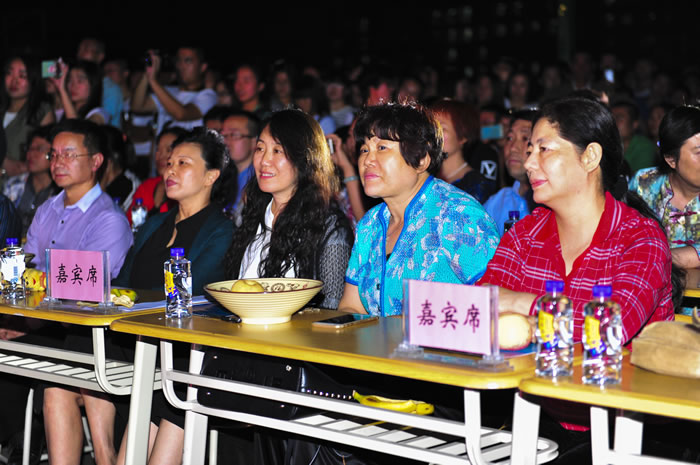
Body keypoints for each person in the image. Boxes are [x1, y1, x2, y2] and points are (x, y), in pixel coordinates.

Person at [479, 96, 674, 345]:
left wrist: (520, 303)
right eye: (529, 151)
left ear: (590, 156)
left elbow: (609, 329)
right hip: (534, 371)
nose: (528, 163)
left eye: (544, 149)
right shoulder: (524, 234)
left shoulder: (640, 239)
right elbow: (480, 306)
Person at [339, 102, 499, 316]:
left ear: (422, 159)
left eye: (382, 148)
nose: (367, 160)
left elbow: (498, 301)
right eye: (364, 149)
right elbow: (351, 306)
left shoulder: (458, 215)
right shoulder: (370, 224)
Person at [25, 119, 132, 275]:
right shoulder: (46, 209)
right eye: (53, 155)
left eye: (68, 155)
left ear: (95, 161)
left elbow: (84, 279)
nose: (58, 163)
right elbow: (27, 265)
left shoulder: (109, 220)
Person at [629, 105, 700, 270]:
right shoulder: (644, 185)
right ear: (671, 160)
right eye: (699, 153)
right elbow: (622, 238)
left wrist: (656, 256)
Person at [130, 47, 217, 136]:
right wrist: (148, 73)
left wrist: (153, 80)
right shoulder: (167, 91)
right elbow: (137, 107)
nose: (181, 66)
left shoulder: (208, 96)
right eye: (179, 60)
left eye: (188, 61)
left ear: (202, 67)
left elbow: (181, 114)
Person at [430, 99, 497, 203]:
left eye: (442, 129)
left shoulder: (476, 185)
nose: (433, 134)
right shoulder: (427, 175)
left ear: (463, 136)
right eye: (431, 127)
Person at [483, 110, 538, 235]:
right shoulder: (498, 201)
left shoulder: (553, 205)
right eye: (509, 138)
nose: (513, 147)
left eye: (525, 138)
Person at [1, 56, 55, 176]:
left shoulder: (41, 111)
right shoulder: (2, 108)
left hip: (21, 183)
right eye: (9, 73)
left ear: (33, 80)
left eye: (22, 76)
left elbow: (47, 153)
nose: (14, 81)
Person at [2, 126, 59, 235]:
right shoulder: (13, 184)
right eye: (30, 148)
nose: (31, 154)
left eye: (39, 149)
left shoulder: (60, 193)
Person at [127, 127, 186, 223]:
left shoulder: (185, 191)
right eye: (158, 149)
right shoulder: (147, 186)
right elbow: (130, 223)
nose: (160, 156)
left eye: (168, 150)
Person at [219, 109, 260, 222]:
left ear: (254, 141)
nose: (226, 141)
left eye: (233, 135)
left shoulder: (260, 181)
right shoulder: (223, 176)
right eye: (223, 135)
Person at [50, 60, 108, 124]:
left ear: (93, 84)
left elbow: (77, 128)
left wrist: (62, 90)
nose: (73, 85)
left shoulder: (99, 114)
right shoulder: (62, 111)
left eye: (80, 80)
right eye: (69, 80)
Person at [611, 99, 657, 173]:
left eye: (619, 118)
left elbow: (641, 176)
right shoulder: (605, 144)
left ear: (634, 124)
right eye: (611, 118)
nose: (613, 122)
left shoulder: (644, 146)